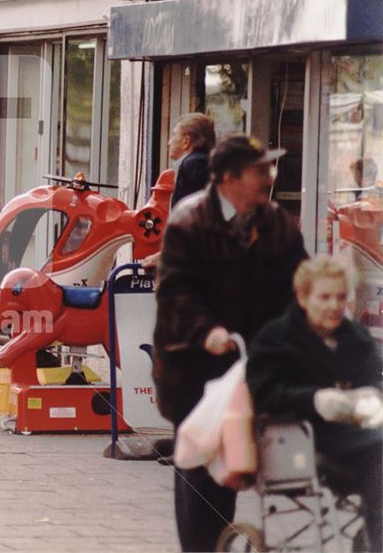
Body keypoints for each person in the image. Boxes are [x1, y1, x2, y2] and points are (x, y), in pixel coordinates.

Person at [153, 134, 309, 552]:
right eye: (260, 171)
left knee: (251, 459)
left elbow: (302, 281)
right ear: (228, 178)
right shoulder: (190, 221)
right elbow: (175, 292)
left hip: (255, 359)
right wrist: (208, 332)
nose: (269, 178)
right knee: (204, 467)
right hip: (195, 365)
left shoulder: (275, 222)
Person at [247, 255, 382, 553]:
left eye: (340, 297)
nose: (334, 306)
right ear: (303, 297)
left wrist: (371, 395)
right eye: (324, 297)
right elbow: (263, 393)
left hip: (359, 435)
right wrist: (313, 398)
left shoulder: (356, 337)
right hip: (302, 443)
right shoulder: (277, 339)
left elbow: (374, 379)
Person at [142, 113, 216, 269]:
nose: (169, 142)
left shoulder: (193, 165)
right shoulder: (210, 164)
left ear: (186, 141)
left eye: (174, 135)